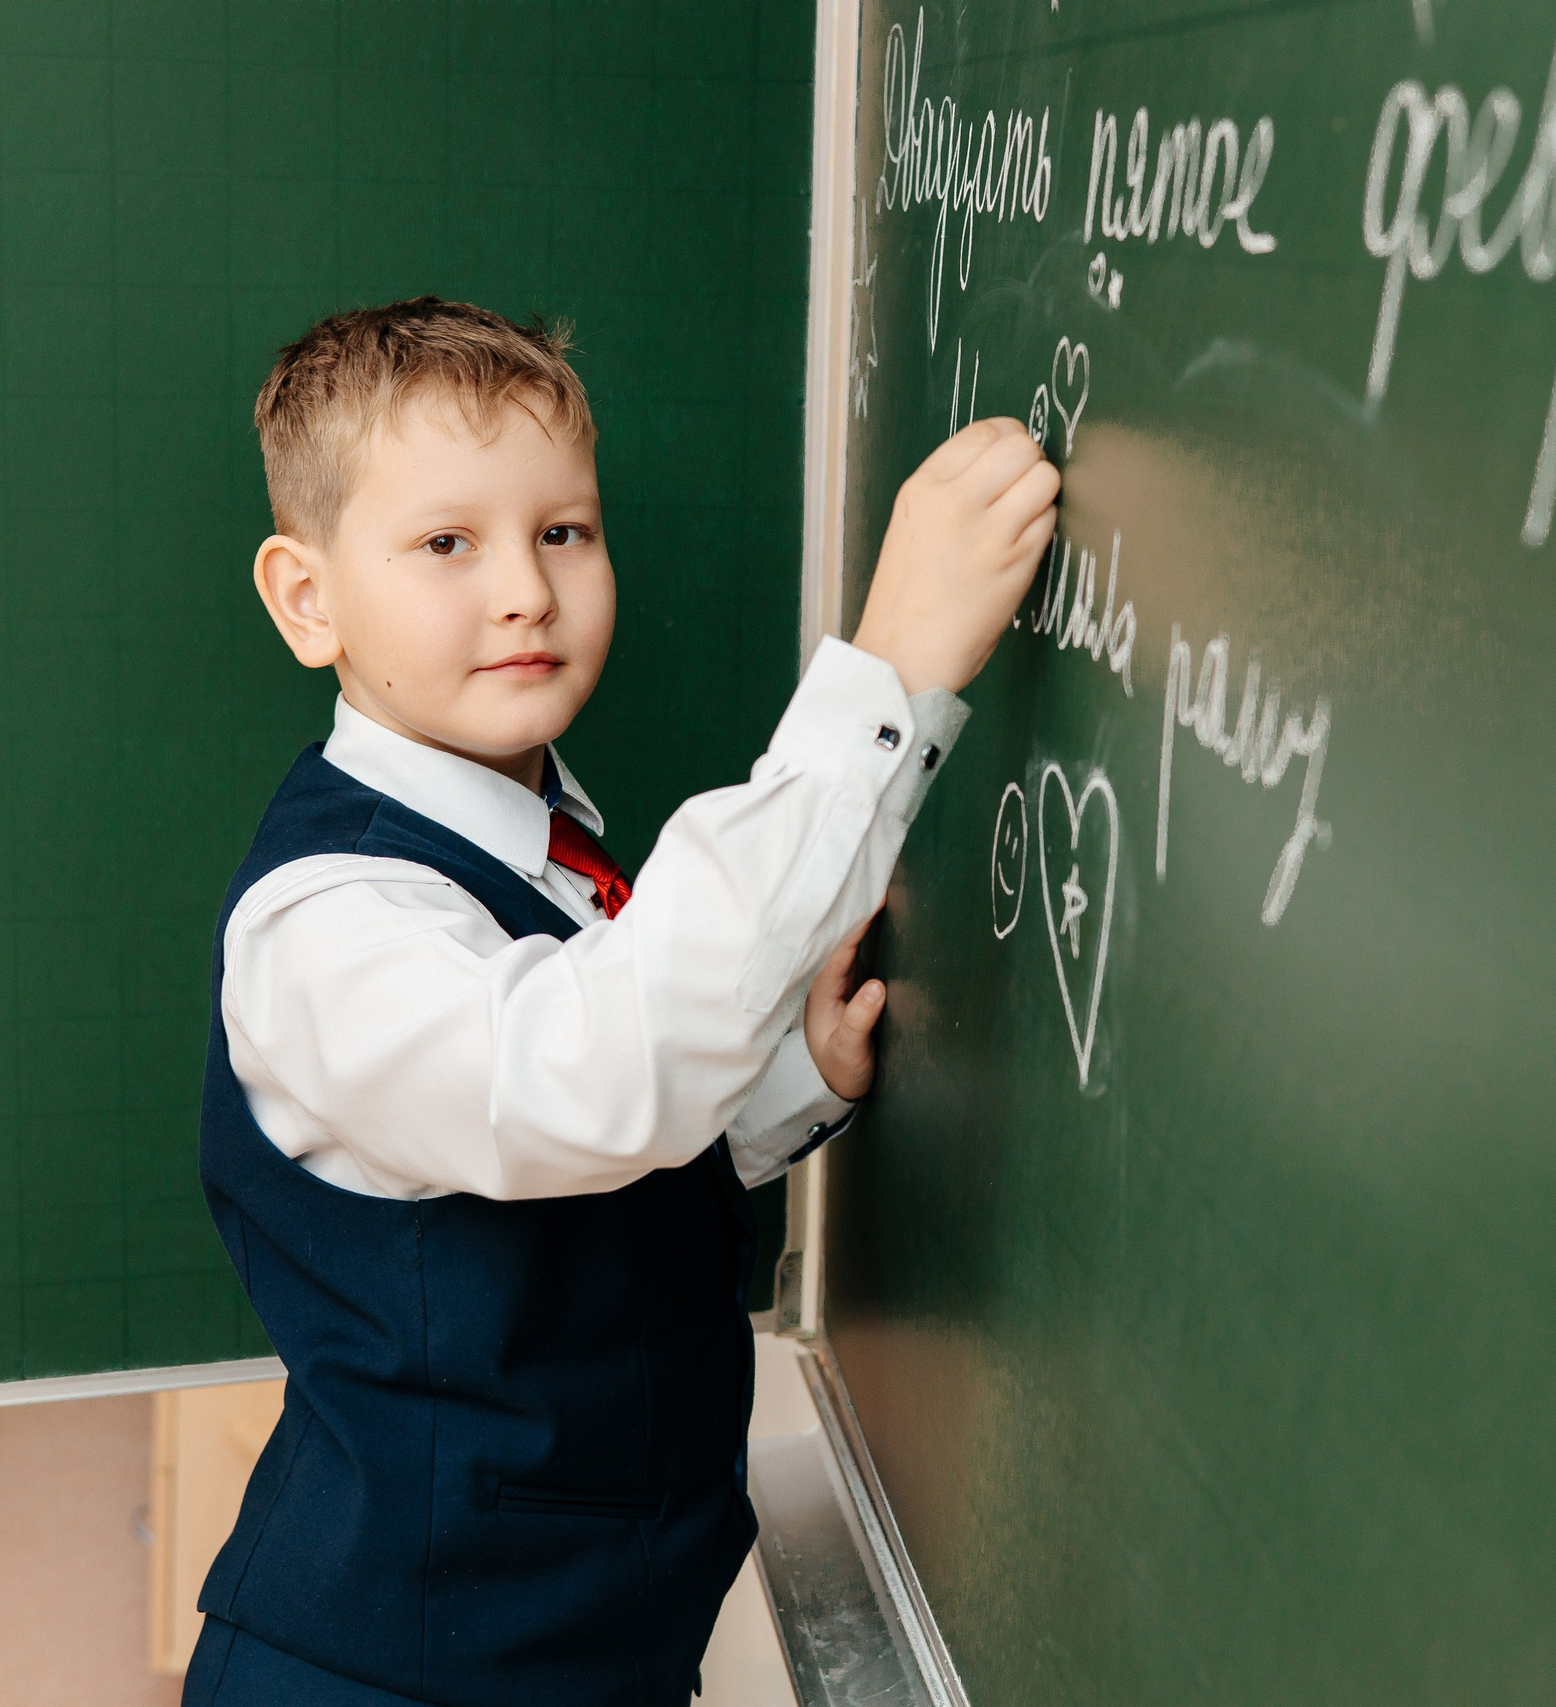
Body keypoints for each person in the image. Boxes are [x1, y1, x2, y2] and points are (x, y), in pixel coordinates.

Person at [185, 295, 1059, 1706]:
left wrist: (787, 1079)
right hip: (393, 1673)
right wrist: (888, 670)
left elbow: (567, 1175)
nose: (524, 591)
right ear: (307, 600)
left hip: (585, 1650)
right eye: (447, 543)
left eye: (564, 532)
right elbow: (586, 1082)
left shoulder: (549, 851)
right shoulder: (326, 929)